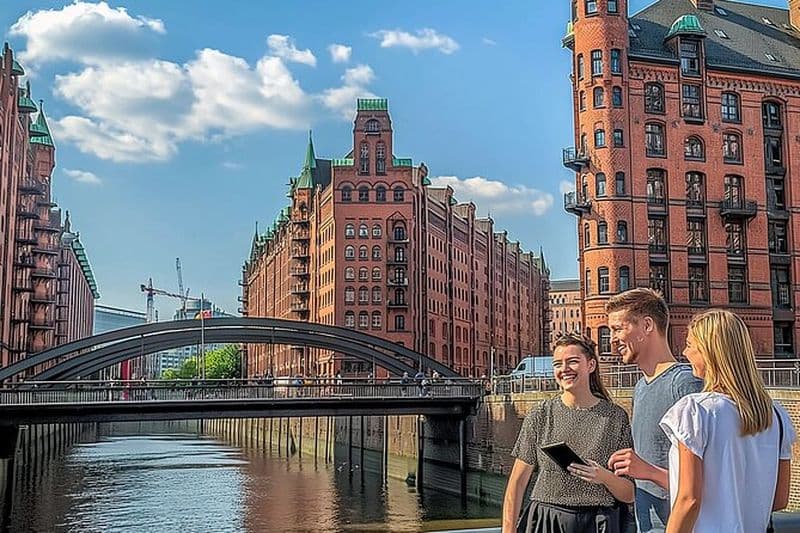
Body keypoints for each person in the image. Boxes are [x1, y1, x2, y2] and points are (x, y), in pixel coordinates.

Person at [659, 310, 795, 532]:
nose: (685, 353)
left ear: (710, 352)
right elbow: (779, 499)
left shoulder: (696, 411)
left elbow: (689, 499)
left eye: (691, 345)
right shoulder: (777, 415)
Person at [502, 333, 634, 533]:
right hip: (548, 521)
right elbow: (517, 484)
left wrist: (604, 476)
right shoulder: (540, 415)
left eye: (572, 362)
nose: (564, 369)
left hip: (599, 523)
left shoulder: (615, 418)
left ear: (591, 365)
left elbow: (630, 493)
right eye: (557, 364)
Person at [606, 289, 703, 533]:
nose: (612, 339)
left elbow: (708, 481)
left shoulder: (685, 384)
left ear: (647, 325)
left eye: (618, 329)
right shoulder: (641, 386)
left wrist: (645, 471)